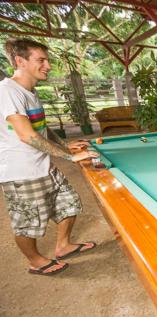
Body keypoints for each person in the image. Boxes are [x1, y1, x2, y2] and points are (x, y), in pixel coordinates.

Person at [0, 38, 99, 275]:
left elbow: (40, 127)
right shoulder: (8, 92)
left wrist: (66, 145)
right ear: (20, 61)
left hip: (42, 164)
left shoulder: (30, 92)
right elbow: (26, 135)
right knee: (27, 223)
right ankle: (34, 260)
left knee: (69, 203)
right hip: (21, 171)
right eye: (41, 60)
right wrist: (70, 157)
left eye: (47, 60)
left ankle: (63, 246)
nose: (48, 65)